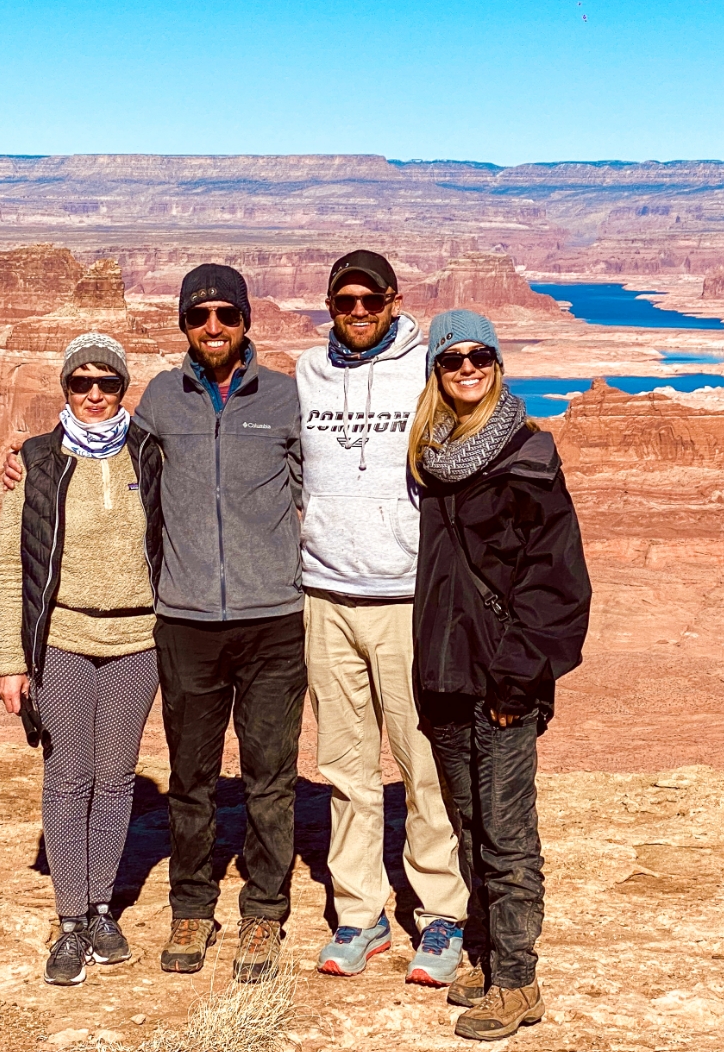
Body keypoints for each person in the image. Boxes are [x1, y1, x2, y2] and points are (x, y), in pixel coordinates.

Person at [408, 310, 592, 1041]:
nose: (466, 368)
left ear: (496, 363)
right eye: (451, 358)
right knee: (467, 824)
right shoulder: (431, 453)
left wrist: (518, 679)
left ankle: (517, 981)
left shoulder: (526, 452)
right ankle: (486, 959)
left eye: (479, 355)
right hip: (444, 673)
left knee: (509, 835)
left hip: (502, 680)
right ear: (435, 370)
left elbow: (557, 579)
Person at [295, 250, 468, 985]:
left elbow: (483, 412)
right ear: (330, 304)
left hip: (404, 597)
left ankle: (439, 915)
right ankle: (359, 913)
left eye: (371, 299)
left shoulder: (425, 365)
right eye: (344, 300)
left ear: (395, 300)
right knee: (344, 767)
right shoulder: (304, 372)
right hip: (325, 596)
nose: (358, 311)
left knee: (421, 760)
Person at [137, 263, 307, 984]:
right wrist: (35, 458)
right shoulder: (157, 398)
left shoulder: (283, 396)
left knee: (270, 776)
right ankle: (191, 904)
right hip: (187, 620)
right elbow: (110, 467)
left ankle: (264, 909)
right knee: (191, 777)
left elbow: (321, 487)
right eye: (200, 315)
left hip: (273, 621)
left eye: (226, 315)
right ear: (183, 323)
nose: (213, 327)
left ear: (246, 322)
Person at [0, 332, 164, 987]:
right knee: (68, 775)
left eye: (107, 382)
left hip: (136, 643)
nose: (94, 394)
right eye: (80, 382)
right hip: (61, 639)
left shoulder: (149, 455)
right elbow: (12, 567)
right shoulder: (35, 460)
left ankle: (101, 907)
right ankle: (68, 923)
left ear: (123, 388)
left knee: (115, 777)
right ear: (65, 388)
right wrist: (11, 661)